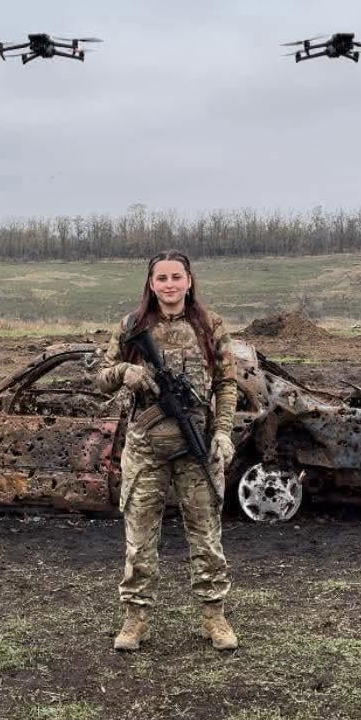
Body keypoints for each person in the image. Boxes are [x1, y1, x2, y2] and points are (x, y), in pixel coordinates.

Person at [96, 250, 239, 652]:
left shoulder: (210, 325)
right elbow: (102, 378)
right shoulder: (132, 326)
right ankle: (135, 619)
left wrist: (223, 433)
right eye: (162, 278)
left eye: (177, 277)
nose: (170, 284)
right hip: (146, 448)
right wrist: (125, 372)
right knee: (140, 539)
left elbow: (226, 384)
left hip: (196, 446)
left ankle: (214, 616)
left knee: (207, 537)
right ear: (151, 283)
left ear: (189, 281)